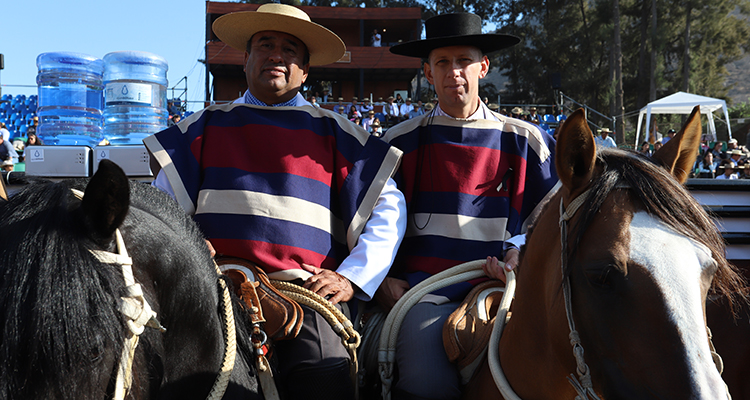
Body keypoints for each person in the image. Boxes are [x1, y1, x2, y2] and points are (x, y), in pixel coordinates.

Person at [143, 5, 407, 400]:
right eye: (265, 45)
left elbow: (390, 210)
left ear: (305, 70)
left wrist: (352, 277)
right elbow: (161, 210)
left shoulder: (340, 134)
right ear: (246, 59)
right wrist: (190, 251)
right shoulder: (202, 127)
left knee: (325, 375)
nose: (277, 55)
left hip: (305, 293)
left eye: (290, 49)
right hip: (214, 287)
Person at [382, 12, 558, 400]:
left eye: (463, 61)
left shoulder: (527, 140)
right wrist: (384, 279)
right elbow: (373, 226)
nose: (454, 72)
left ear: (484, 67)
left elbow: (551, 219)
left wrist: (518, 252)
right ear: (427, 73)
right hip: (426, 294)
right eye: (442, 62)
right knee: (426, 385)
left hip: (510, 292)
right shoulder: (397, 143)